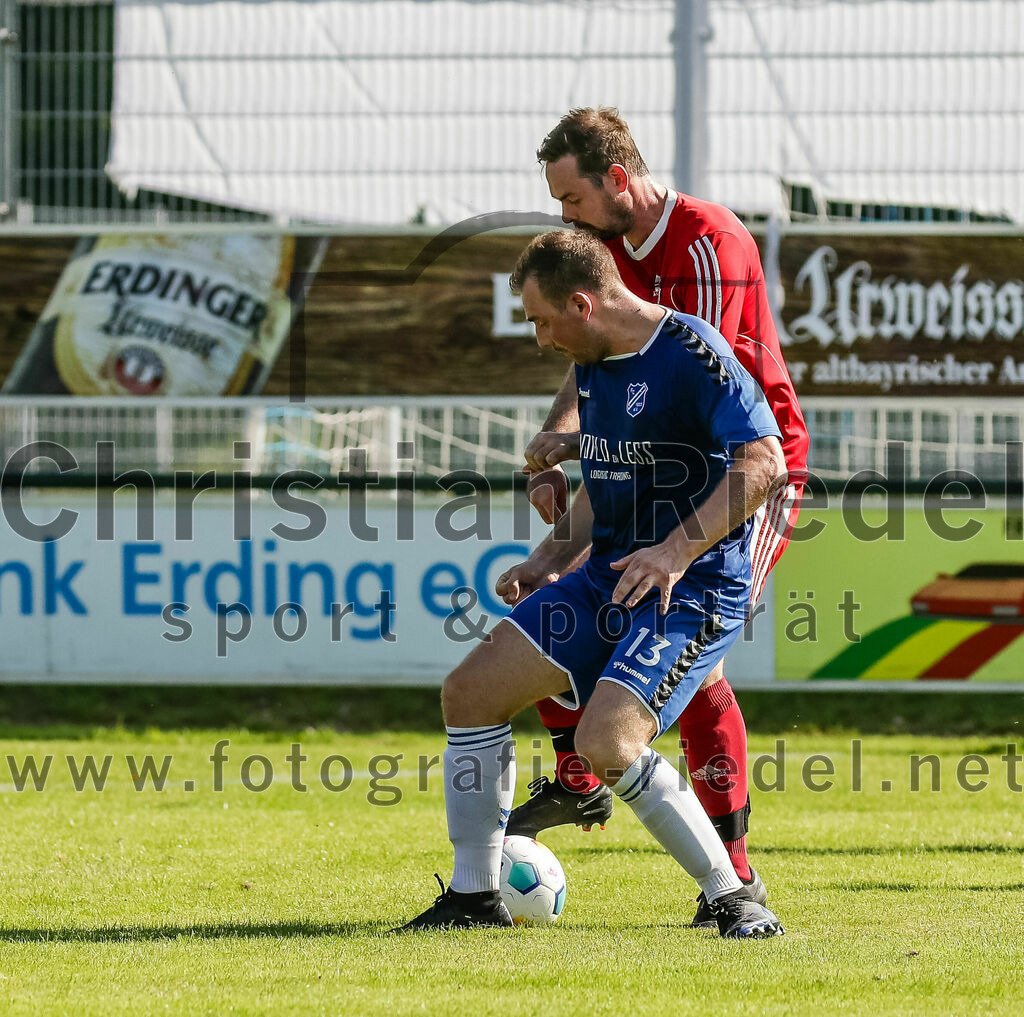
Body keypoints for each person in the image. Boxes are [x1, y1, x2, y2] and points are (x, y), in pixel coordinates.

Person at [397, 231, 786, 938]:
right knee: (470, 692)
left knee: (607, 743)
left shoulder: (691, 351)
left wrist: (673, 550)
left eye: (542, 320)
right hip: (608, 576)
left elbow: (764, 463)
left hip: (691, 588)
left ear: (583, 303)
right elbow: (612, 481)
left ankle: (733, 896)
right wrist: (550, 558)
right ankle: (473, 897)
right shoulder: (596, 361)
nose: (541, 338)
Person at [509, 108, 808, 927]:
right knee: (557, 595)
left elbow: (711, 411)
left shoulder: (708, 244)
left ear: (616, 180)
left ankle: (733, 878)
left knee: (695, 651)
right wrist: (561, 440)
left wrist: (626, 493)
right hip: (653, 477)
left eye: (570, 199)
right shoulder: (605, 259)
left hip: (751, 475)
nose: (563, 218)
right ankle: (582, 778)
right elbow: (604, 352)